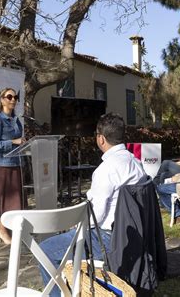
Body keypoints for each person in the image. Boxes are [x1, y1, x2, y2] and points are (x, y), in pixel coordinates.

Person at [38, 113, 146, 296]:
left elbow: (96, 215)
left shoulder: (106, 170)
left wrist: (75, 224)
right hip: (133, 234)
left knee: (45, 250)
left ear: (101, 139)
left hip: (107, 238)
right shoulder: (136, 163)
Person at [0, 88, 25, 245]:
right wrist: (13, 142)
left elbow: (20, 140)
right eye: (9, 97)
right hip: (3, 165)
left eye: (15, 97)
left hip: (17, 163)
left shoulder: (16, 120)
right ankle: (3, 231)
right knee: (4, 200)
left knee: (15, 201)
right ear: (2, 100)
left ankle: (13, 230)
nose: (13, 99)